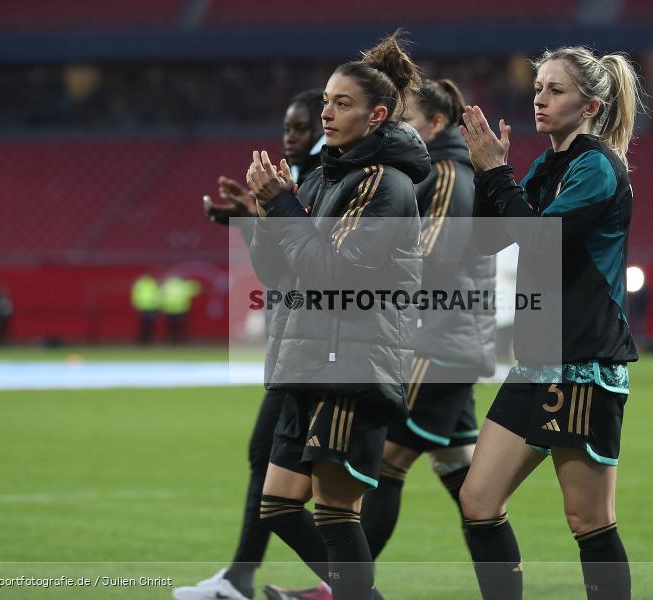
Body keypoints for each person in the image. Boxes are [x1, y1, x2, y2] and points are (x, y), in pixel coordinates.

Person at [248, 32, 429, 600]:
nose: (326, 110)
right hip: (310, 355)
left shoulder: (384, 184)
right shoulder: (327, 174)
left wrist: (282, 206)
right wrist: (265, 210)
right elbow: (280, 275)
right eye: (326, 100)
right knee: (277, 504)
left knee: (334, 511)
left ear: (378, 116)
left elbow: (333, 274)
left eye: (342, 103)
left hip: (350, 361)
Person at [458, 46, 642, 600]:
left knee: (589, 522)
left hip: (582, 364)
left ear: (589, 106)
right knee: (479, 501)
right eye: (538, 87)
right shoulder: (548, 166)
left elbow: (539, 244)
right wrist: (485, 174)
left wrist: (498, 174)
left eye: (555, 90)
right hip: (538, 362)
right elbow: (487, 243)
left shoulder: (598, 166)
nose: (540, 98)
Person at [173, 90, 324, 600]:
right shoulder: (304, 180)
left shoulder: (328, 180)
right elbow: (284, 261)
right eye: (287, 127)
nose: (290, 137)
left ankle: (348, 587)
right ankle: (245, 576)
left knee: (299, 481)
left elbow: (314, 265)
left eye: (301, 127)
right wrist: (251, 215)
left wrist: (267, 213)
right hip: (299, 345)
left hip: (318, 349)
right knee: (288, 472)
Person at [358, 79, 497, 560]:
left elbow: (433, 256)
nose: (397, 131)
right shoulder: (442, 171)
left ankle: (341, 588)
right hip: (452, 342)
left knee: (384, 464)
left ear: (436, 124)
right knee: (465, 478)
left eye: (407, 121)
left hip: (434, 343)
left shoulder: (448, 173)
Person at [131, 274, 161, 344]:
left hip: (151, 307)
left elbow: (157, 295)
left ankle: (148, 340)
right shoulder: (144, 284)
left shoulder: (149, 284)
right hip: (144, 307)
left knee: (149, 325)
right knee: (144, 326)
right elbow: (135, 295)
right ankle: (144, 340)